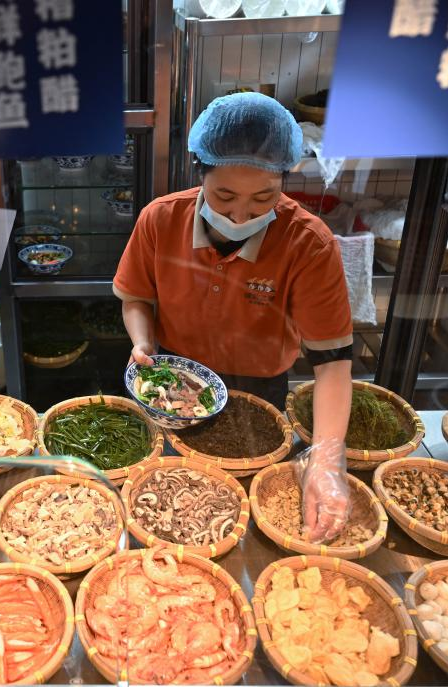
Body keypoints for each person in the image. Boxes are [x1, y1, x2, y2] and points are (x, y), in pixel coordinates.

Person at [113, 92, 353, 543]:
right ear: (199, 172)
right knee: (171, 506)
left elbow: (333, 363)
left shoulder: (309, 243)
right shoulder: (160, 220)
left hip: (258, 394)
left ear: (284, 180)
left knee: (242, 519)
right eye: (224, 196)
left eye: (264, 197)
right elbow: (136, 298)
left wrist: (326, 459)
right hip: (174, 385)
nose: (241, 214)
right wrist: (143, 343)